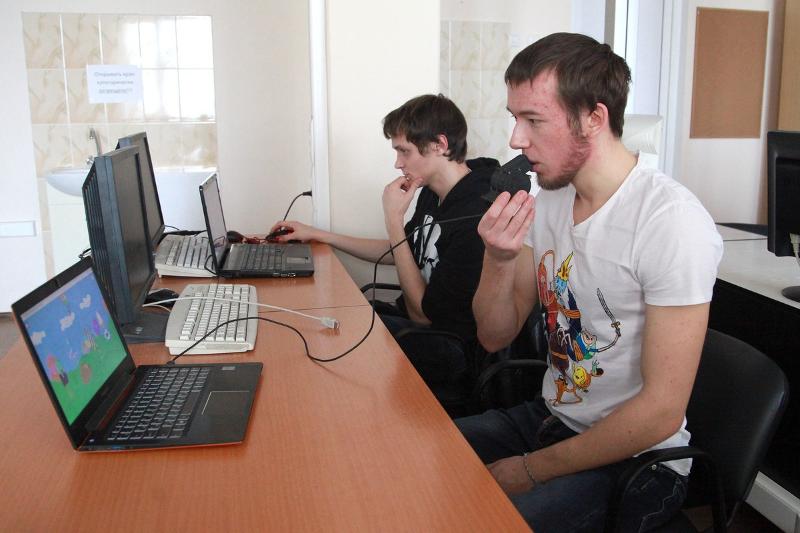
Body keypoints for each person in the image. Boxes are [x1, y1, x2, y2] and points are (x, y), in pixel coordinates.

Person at [456, 33, 723, 531]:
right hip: (553, 419)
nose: (515, 140)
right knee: (421, 453)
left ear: (594, 118)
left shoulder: (671, 223)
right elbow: (494, 335)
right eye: (515, 118)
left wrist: (529, 470)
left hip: (639, 459)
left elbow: (661, 413)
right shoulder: (549, 201)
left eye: (533, 120)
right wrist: (497, 258)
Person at [268, 94, 500, 402]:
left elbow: (423, 316)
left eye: (404, 151)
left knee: (334, 339)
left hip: (448, 347)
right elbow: (403, 250)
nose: (397, 163)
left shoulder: (477, 215)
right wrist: (320, 235)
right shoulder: (433, 191)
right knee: (329, 318)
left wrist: (393, 220)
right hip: (417, 325)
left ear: (440, 145)